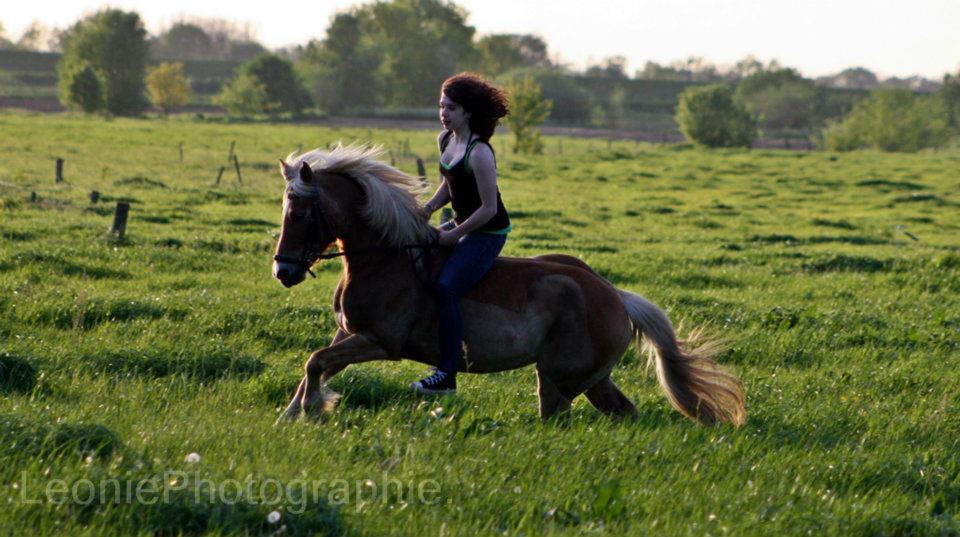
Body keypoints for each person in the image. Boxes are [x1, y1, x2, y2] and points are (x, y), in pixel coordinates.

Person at [411, 73, 512, 395]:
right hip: (462, 221)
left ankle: (446, 375)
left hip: (488, 231)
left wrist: (454, 235)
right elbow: (450, 184)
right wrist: (428, 209)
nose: (443, 113)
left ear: (467, 112)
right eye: (441, 106)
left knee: (446, 287)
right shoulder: (446, 140)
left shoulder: (480, 153)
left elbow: (488, 209)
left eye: (451, 108)